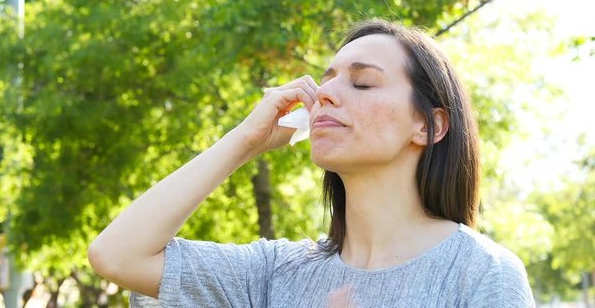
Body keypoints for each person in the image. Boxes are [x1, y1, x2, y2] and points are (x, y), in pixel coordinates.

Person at [88, 19, 535, 307]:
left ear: (429, 126)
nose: (324, 94)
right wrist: (244, 142)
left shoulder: (481, 273)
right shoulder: (273, 272)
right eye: (326, 81)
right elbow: (117, 255)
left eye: (361, 83)